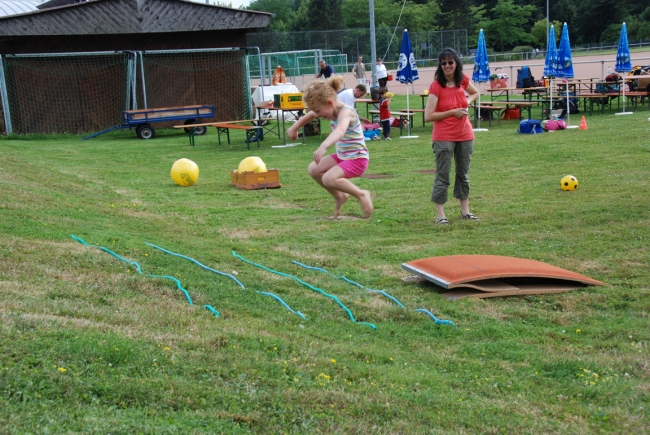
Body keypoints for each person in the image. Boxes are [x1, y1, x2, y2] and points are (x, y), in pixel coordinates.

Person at [287, 76, 373, 219]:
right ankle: (340, 196)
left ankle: (361, 194)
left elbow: (339, 131)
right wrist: (294, 128)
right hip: (342, 156)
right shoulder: (327, 109)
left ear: (329, 103)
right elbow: (310, 115)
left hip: (357, 159)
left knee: (328, 178)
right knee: (313, 169)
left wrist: (323, 146)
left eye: (319, 111)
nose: (318, 115)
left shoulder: (346, 112)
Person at [424, 48, 480, 225]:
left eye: (450, 62)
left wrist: (467, 103)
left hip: (465, 134)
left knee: (463, 173)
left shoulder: (462, 80)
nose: (447, 66)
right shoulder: (436, 86)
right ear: (440, 66)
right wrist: (452, 112)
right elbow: (428, 116)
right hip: (443, 136)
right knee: (443, 175)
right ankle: (441, 215)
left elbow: (475, 93)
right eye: (444, 63)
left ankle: (465, 211)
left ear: (456, 63)